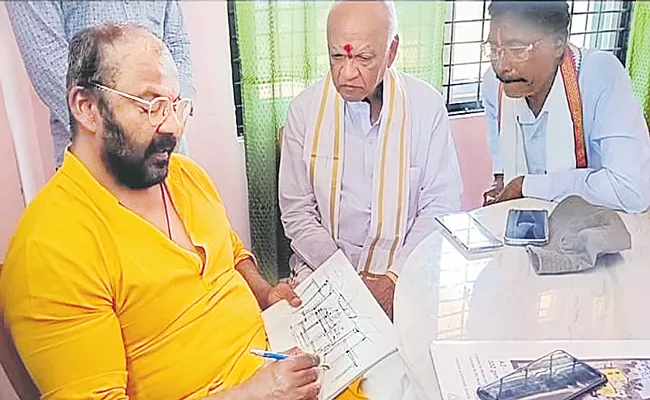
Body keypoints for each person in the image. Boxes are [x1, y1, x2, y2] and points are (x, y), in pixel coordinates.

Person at [0, 23, 369, 400]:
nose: (173, 128)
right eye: (151, 106)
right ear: (87, 108)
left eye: (176, 105)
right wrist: (253, 393)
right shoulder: (49, 251)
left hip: (282, 364)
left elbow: (233, 256)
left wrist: (265, 294)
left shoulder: (183, 175)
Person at [279, 0, 463, 319]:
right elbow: (297, 212)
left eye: (364, 57)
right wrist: (346, 280)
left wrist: (394, 278)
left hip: (405, 273)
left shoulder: (426, 108)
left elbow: (441, 205)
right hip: (323, 274)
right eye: (337, 56)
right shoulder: (304, 112)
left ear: (391, 52)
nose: (347, 72)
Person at [481, 0, 650, 213]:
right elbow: (502, 167)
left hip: (598, 232)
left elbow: (632, 191)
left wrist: (525, 186)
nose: (502, 66)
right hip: (527, 231)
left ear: (558, 44)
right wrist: (500, 187)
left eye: (517, 49)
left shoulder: (599, 76)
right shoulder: (494, 84)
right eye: (495, 49)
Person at [5, 1, 195, 167]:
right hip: (98, 157)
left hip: (169, 147)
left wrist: (173, 112)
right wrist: (125, 125)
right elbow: (47, 61)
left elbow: (177, 41)